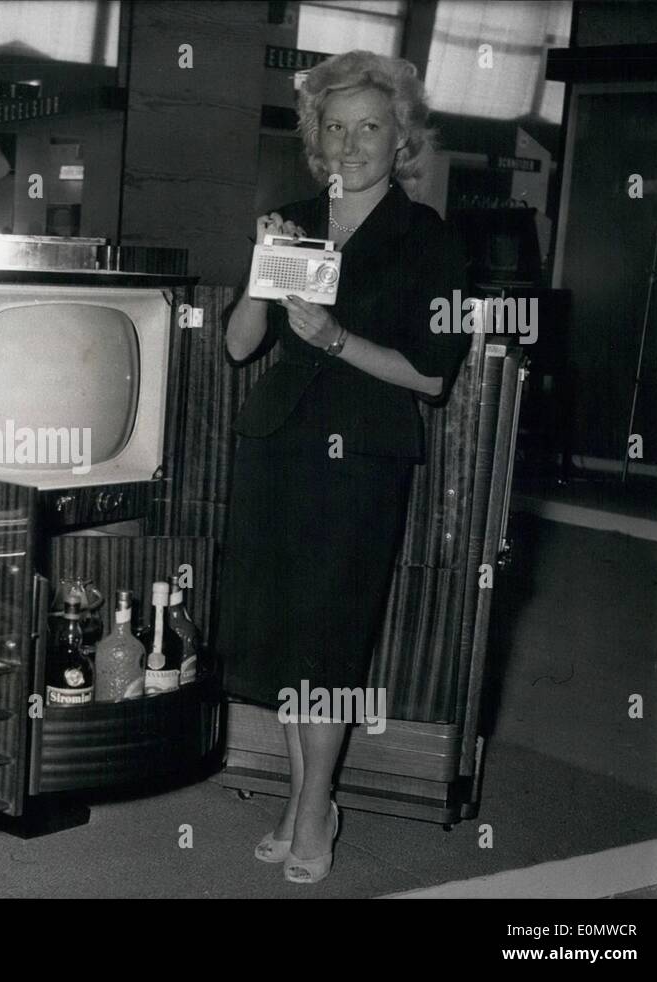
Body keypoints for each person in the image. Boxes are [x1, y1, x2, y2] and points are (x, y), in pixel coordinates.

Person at [216, 50, 471, 884]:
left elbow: (432, 376)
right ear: (316, 138)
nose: (354, 143)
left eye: (372, 126)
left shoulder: (426, 238)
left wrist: (333, 338)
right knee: (290, 635)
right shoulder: (290, 220)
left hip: (359, 453)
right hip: (280, 445)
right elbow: (238, 343)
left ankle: (317, 803)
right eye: (338, 127)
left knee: (330, 641)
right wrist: (261, 270)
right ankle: (303, 799)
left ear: (401, 137)